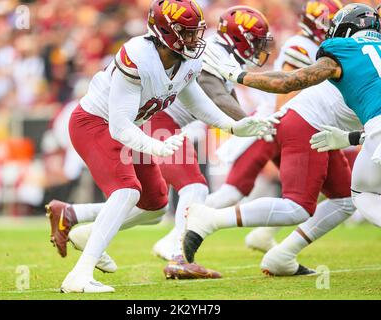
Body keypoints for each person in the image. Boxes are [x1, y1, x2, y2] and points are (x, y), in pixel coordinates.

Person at [47, 0, 274, 293]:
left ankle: (85, 231)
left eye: (196, 32)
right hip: (94, 123)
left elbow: (197, 101)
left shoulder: (187, 59)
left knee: (154, 205)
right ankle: (79, 275)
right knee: (127, 190)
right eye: (187, 33)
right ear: (165, 32)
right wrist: (154, 145)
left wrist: (233, 126)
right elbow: (118, 126)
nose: (194, 39)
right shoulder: (138, 56)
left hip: (132, 128)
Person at [192, 3, 381, 277]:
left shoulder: (345, 52)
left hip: (339, 126)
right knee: (299, 206)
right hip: (306, 121)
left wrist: (238, 75)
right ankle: (211, 218)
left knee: (351, 198)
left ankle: (281, 256)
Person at [205, 0, 344, 253]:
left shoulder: (318, 46)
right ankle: (183, 231)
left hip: (292, 123)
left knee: (318, 186)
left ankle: (264, 234)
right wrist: (278, 130)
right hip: (273, 122)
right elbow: (287, 92)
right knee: (234, 190)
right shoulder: (302, 46)